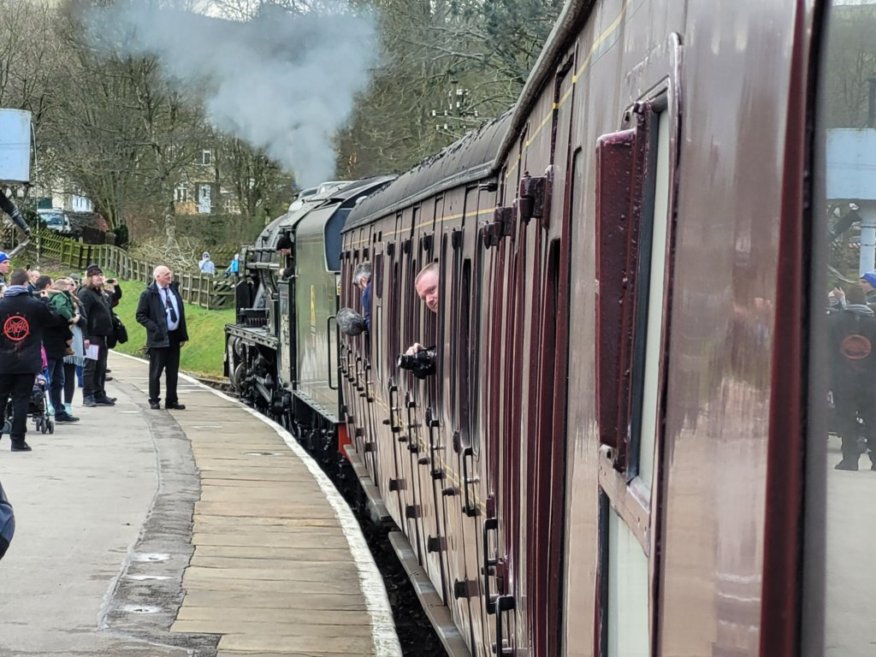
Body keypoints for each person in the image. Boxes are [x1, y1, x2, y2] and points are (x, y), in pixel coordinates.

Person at [0, 269, 64, 451]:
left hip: (3, 361)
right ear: (26, 284)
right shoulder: (35, 305)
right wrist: (45, 301)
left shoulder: (1, 304)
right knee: (21, 400)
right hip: (26, 361)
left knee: (1, 399)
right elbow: (54, 320)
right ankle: (18, 441)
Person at [829, 286, 876, 470]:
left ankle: (850, 459)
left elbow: (826, 352)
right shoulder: (874, 323)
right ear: (864, 300)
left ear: (847, 300)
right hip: (872, 381)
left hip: (843, 381)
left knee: (846, 418)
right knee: (873, 418)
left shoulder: (833, 322)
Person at [136, 265, 188, 411]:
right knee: (156, 371)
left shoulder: (173, 291)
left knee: (172, 371)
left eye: (170, 274)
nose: (169, 276)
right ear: (157, 277)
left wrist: (182, 334)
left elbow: (180, 312)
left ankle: (171, 400)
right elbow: (140, 315)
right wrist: (154, 328)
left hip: (173, 336)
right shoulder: (148, 294)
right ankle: (154, 399)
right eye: (166, 274)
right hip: (158, 337)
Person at [77, 264, 116, 407]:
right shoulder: (85, 293)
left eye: (100, 274)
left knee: (101, 366)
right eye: (96, 275)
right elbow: (83, 315)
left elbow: (111, 304)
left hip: (101, 335)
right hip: (92, 336)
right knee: (90, 366)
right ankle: (88, 395)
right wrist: (85, 336)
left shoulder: (100, 293)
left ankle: (99, 393)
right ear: (89, 277)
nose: (100, 277)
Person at [45, 278, 80, 423]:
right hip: (52, 346)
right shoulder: (57, 300)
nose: (70, 287)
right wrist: (71, 319)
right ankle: (51, 408)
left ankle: (59, 410)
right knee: (50, 380)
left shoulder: (63, 299)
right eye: (67, 285)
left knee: (58, 380)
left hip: (58, 347)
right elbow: (60, 319)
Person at [353, 261, 372, 332]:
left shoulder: (367, 292)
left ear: (362, 280)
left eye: (361, 287)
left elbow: (371, 320)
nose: (362, 290)